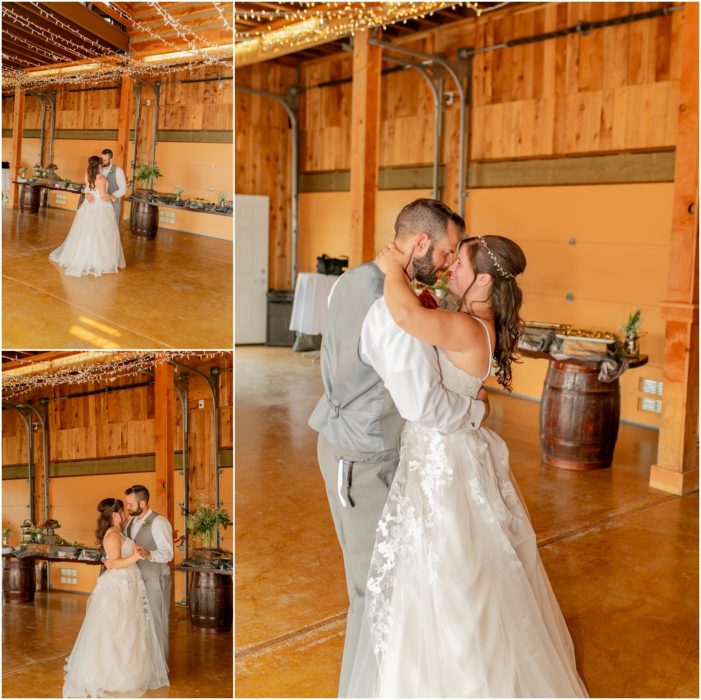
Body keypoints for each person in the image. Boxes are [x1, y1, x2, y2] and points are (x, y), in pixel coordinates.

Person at [346, 235, 589, 697]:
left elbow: (406, 316)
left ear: (481, 279)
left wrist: (392, 267)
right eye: (451, 258)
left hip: (444, 462)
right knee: (440, 566)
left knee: (451, 569)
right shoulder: (474, 320)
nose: (449, 267)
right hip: (441, 453)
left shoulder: (466, 326)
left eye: (458, 262)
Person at [308, 199, 488, 697]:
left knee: (383, 580)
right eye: (449, 252)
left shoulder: (352, 280)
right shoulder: (392, 311)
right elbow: (424, 405)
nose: (451, 263)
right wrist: (473, 413)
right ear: (421, 243)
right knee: (376, 588)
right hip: (365, 459)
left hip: (343, 443)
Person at [62, 498, 169, 698]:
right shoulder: (112, 534)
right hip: (119, 586)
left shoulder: (121, 531)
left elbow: (113, 558)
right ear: (115, 514)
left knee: (131, 628)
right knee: (117, 629)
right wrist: (137, 556)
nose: (125, 512)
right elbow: (117, 563)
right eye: (122, 509)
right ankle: (113, 676)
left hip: (130, 584)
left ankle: (132, 672)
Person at [108, 484, 174, 661]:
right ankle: (145, 665)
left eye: (130, 504)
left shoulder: (160, 523)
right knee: (140, 624)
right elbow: (118, 548)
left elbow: (168, 553)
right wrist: (108, 561)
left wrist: (148, 554)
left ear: (142, 503)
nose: (127, 508)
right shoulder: (130, 524)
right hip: (136, 581)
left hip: (156, 580)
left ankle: (160, 669)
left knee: (157, 624)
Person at [49, 155, 126, 277]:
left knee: (86, 232)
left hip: (88, 207)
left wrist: (87, 194)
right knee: (101, 234)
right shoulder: (101, 179)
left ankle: (81, 256)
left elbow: (87, 189)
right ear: (99, 165)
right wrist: (113, 196)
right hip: (100, 208)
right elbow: (103, 196)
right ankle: (98, 261)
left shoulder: (88, 176)